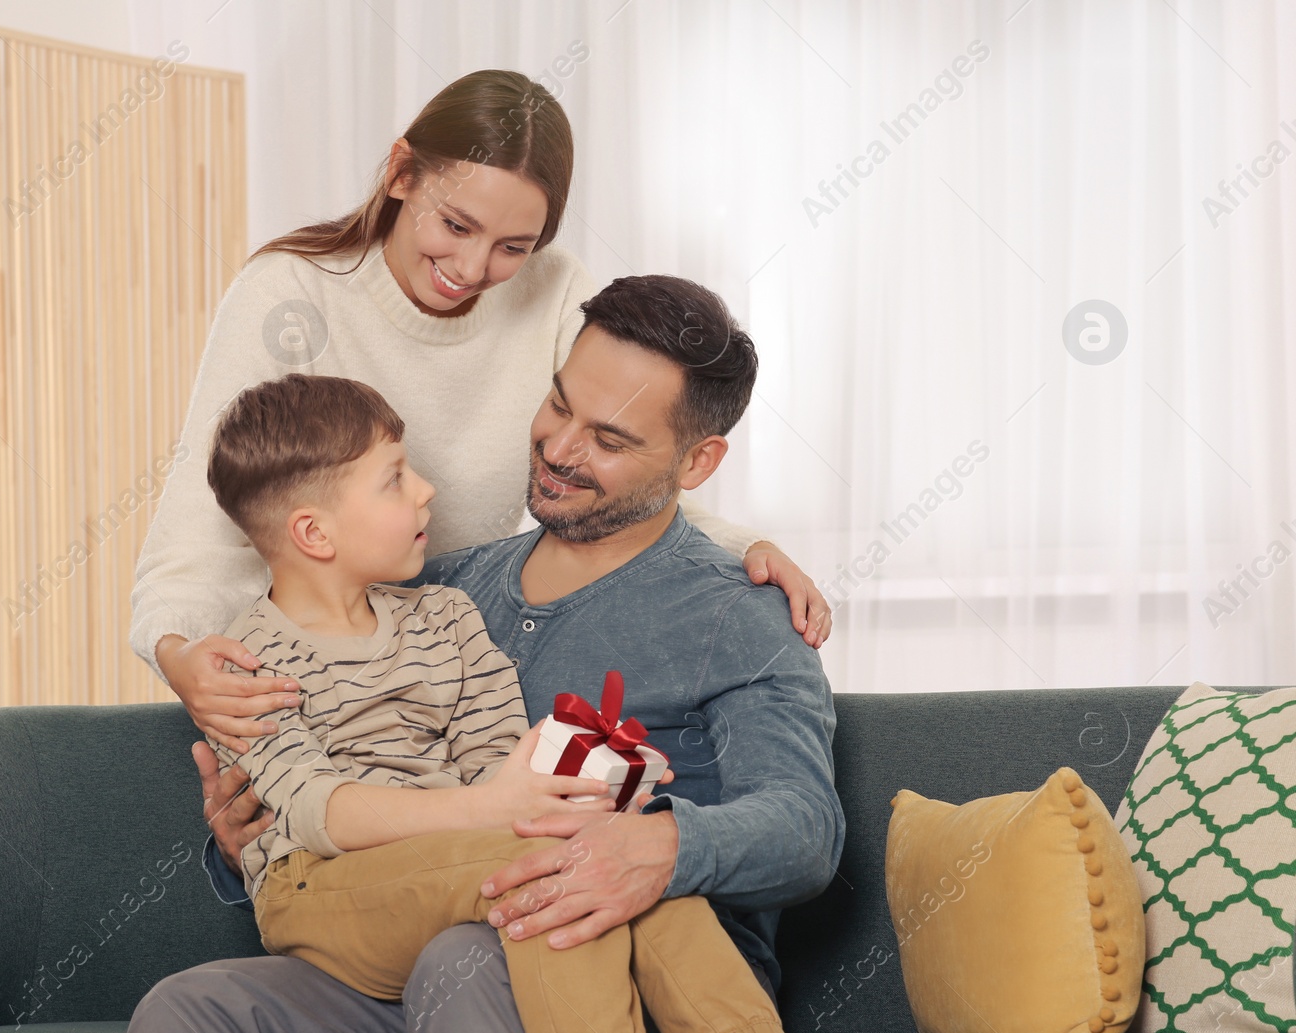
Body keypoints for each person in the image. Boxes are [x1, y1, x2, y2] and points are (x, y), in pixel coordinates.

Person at [128, 274, 844, 1033]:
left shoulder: (740, 610)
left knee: (466, 956)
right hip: (406, 941)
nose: (561, 447)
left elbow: (807, 829)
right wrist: (249, 836)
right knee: (189, 1011)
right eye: (559, 403)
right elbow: (340, 764)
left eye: (607, 439)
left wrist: (660, 846)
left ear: (697, 461)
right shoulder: (439, 591)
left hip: (632, 980)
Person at [127, 68, 832, 773]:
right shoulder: (289, 294)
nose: (470, 267)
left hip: (445, 678)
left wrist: (746, 550)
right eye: (455, 225)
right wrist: (179, 654)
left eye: (512, 247)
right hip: (302, 688)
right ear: (402, 173)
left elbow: (618, 451)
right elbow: (197, 537)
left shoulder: (552, 289)